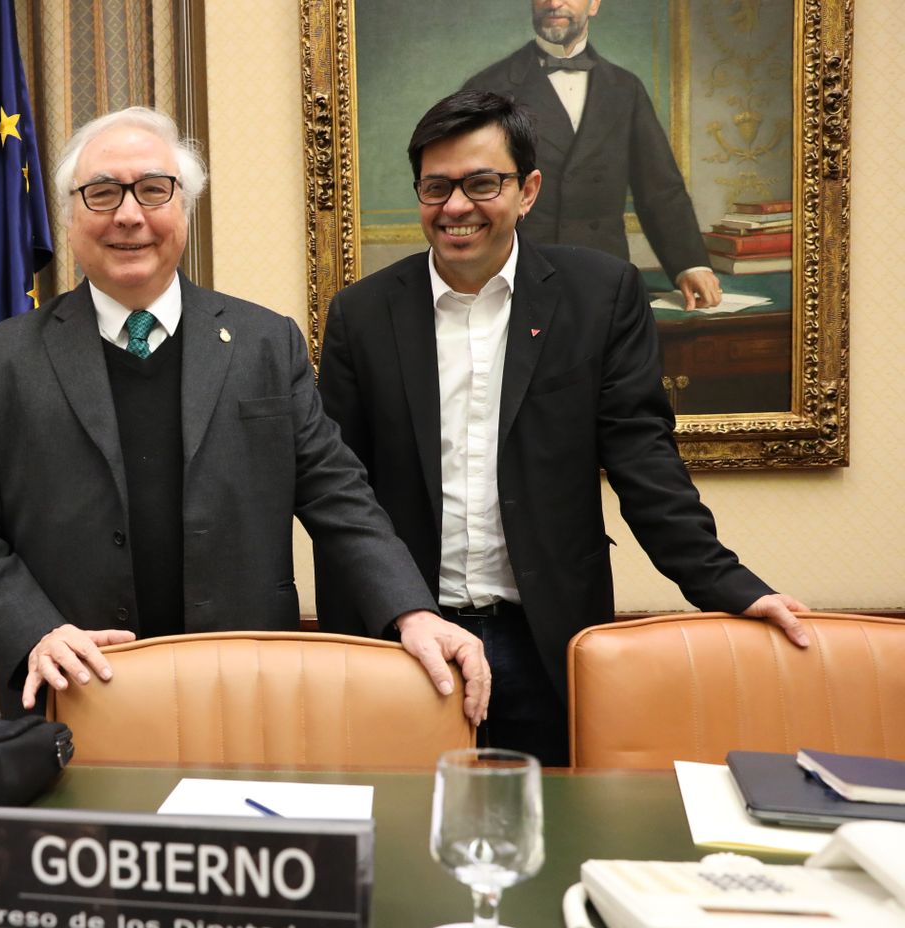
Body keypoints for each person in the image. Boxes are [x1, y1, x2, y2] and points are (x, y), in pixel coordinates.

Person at [0, 106, 489, 721]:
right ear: (68, 217)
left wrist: (411, 611)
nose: (128, 214)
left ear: (184, 210)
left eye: (152, 190)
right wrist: (34, 631)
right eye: (101, 193)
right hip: (74, 687)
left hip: (240, 687)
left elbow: (340, 497)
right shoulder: (5, 356)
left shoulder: (265, 344)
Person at [315, 90, 807, 767]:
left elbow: (643, 459)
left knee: (546, 850)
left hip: (545, 642)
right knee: (399, 850)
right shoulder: (362, 314)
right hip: (406, 643)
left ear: (527, 190)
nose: (456, 206)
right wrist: (386, 617)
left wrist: (731, 586)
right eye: (437, 187)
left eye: (481, 182)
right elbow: (341, 492)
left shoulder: (599, 295)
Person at [462, 0, 722, 311]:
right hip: (515, 283)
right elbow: (467, 194)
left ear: (595, 3)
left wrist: (691, 265)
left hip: (607, 281)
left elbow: (660, 190)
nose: (554, 2)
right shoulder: (487, 88)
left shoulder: (626, 89)